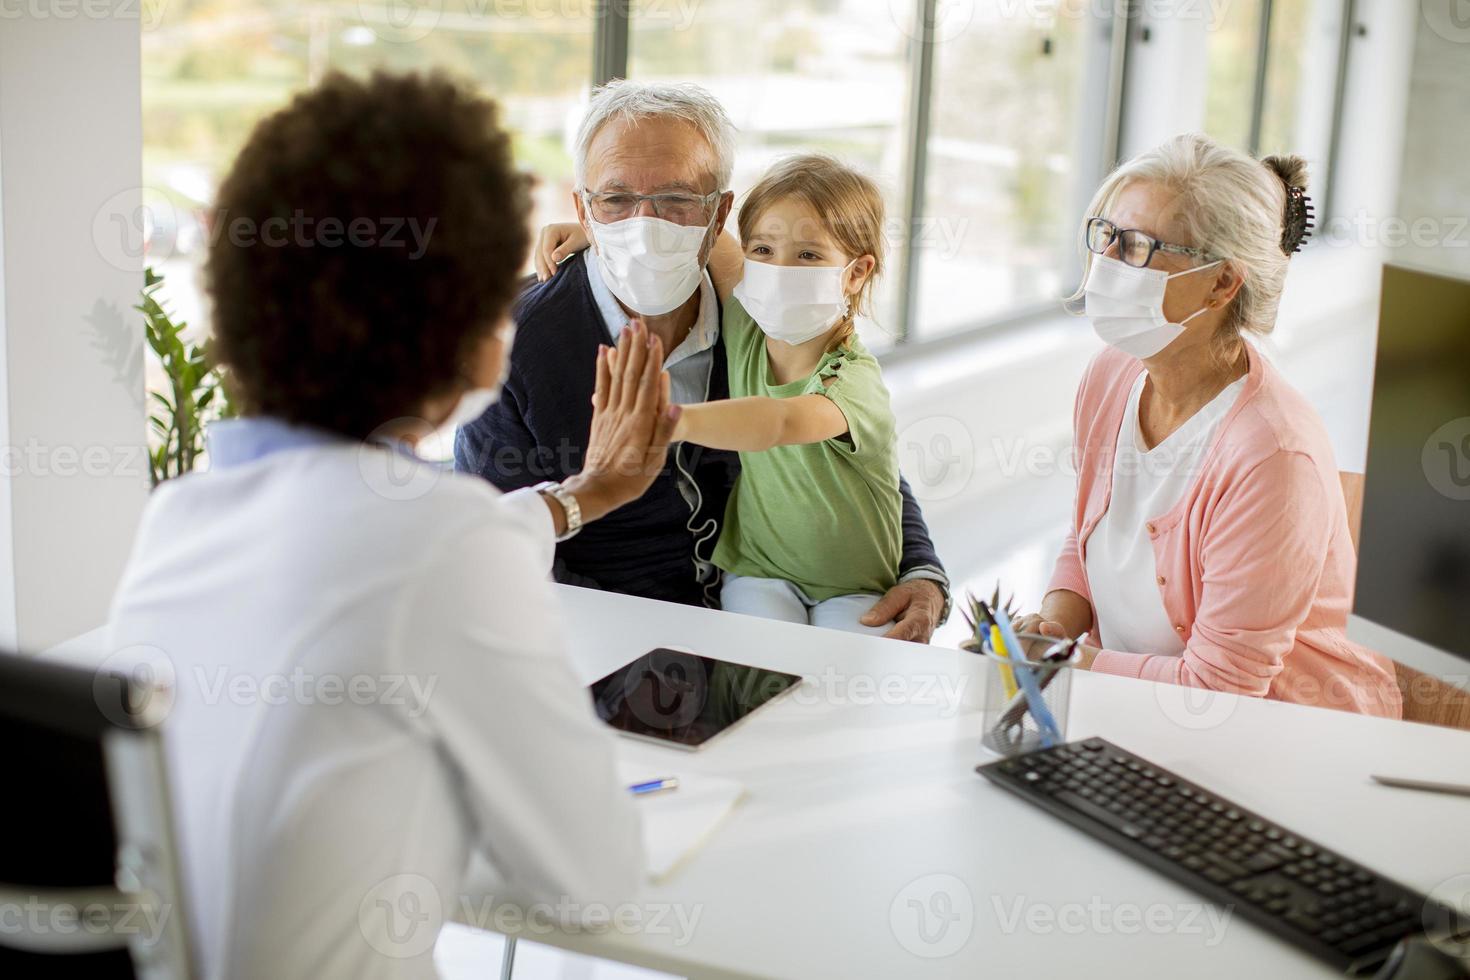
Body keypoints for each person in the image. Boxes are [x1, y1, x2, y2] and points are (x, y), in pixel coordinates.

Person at [107, 71, 680, 979]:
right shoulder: (442, 547)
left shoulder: (182, 519)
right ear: (478, 330)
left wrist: (583, 495)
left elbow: (392, 555)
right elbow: (594, 880)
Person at [454, 80, 952, 641]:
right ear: (584, 211)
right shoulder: (509, 344)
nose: (646, 225)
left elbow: (848, 452)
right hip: (613, 642)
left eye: (676, 200)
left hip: (768, 603)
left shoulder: (760, 312)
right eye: (616, 200)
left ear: (719, 217)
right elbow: (500, 552)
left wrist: (920, 568)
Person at [1019, 132, 1401, 717]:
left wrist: (1068, 664)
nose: (1108, 264)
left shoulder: (1273, 454)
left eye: (1142, 246)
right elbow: (1092, 536)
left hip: (1289, 736)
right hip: (1143, 711)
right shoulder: (1112, 375)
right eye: (1107, 236)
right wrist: (1050, 628)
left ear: (1223, 282)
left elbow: (1219, 690)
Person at [537, 154, 904, 636]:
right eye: (764, 250)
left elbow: (779, 422)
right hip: (757, 569)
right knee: (760, 678)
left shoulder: (853, 381)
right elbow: (708, 236)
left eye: (809, 255)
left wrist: (672, 420)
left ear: (855, 273)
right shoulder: (747, 322)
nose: (778, 269)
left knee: (839, 690)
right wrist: (603, 232)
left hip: (853, 589)